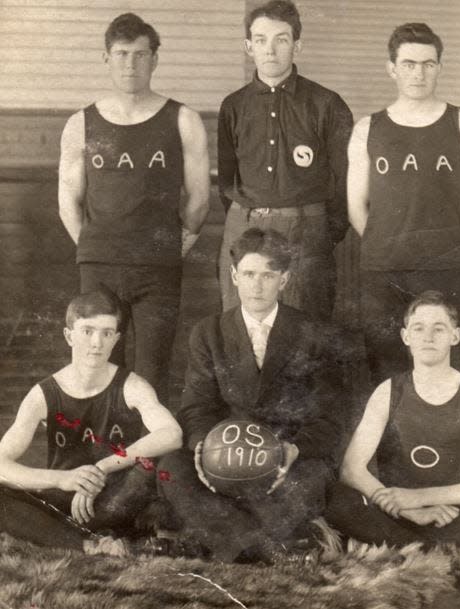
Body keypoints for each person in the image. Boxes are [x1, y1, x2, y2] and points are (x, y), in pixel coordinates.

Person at [158, 228, 347, 562]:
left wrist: (293, 451)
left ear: (285, 279)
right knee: (172, 468)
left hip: (286, 462)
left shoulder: (313, 333)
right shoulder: (209, 332)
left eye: (268, 275)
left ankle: (224, 541)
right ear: (234, 276)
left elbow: (329, 417)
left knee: (314, 479)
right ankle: (271, 546)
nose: (257, 286)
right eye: (248, 274)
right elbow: (196, 406)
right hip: (223, 460)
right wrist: (204, 450)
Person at [59, 13, 210, 405]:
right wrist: (95, 246)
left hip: (158, 267)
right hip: (99, 265)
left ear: (155, 59)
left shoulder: (183, 119)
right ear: (106, 58)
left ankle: (145, 461)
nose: (131, 64)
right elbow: (67, 201)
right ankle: (103, 457)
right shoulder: (81, 123)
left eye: (140, 55)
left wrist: (173, 249)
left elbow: (198, 199)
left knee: (152, 372)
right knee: (97, 366)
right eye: (122, 54)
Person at [348, 23, 460, 384]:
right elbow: (355, 207)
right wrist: (390, 248)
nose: (419, 72)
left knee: (441, 369)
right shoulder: (368, 128)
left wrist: (447, 250)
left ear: (439, 67)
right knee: (384, 369)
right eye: (409, 63)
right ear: (392, 68)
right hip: (383, 272)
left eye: (429, 64)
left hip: (442, 270)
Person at [326, 291, 460, 556]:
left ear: (455, 336)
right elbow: (351, 469)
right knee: (335, 497)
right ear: (406, 336)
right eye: (419, 328)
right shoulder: (389, 391)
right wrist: (407, 508)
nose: (428, 336)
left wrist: (421, 497)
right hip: (400, 515)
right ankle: (459, 555)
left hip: (455, 518)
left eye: (439, 328)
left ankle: (398, 551)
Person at [0, 290, 183, 554]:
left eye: (107, 333)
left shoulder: (131, 385)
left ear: (116, 339)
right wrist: (63, 479)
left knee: (160, 465)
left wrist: (103, 467)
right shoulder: (43, 394)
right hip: (63, 502)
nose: (97, 343)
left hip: (115, 498)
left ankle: (73, 538)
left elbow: (172, 434)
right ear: (69, 335)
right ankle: (88, 544)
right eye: (87, 331)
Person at [218, 0, 353, 320]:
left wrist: (320, 232)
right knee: (242, 332)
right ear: (248, 46)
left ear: (297, 45)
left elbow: (344, 181)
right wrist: (249, 218)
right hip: (245, 227)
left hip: (306, 233)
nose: (271, 49)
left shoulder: (327, 104)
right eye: (261, 40)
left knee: (306, 334)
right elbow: (227, 180)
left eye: (281, 39)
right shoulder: (233, 106)